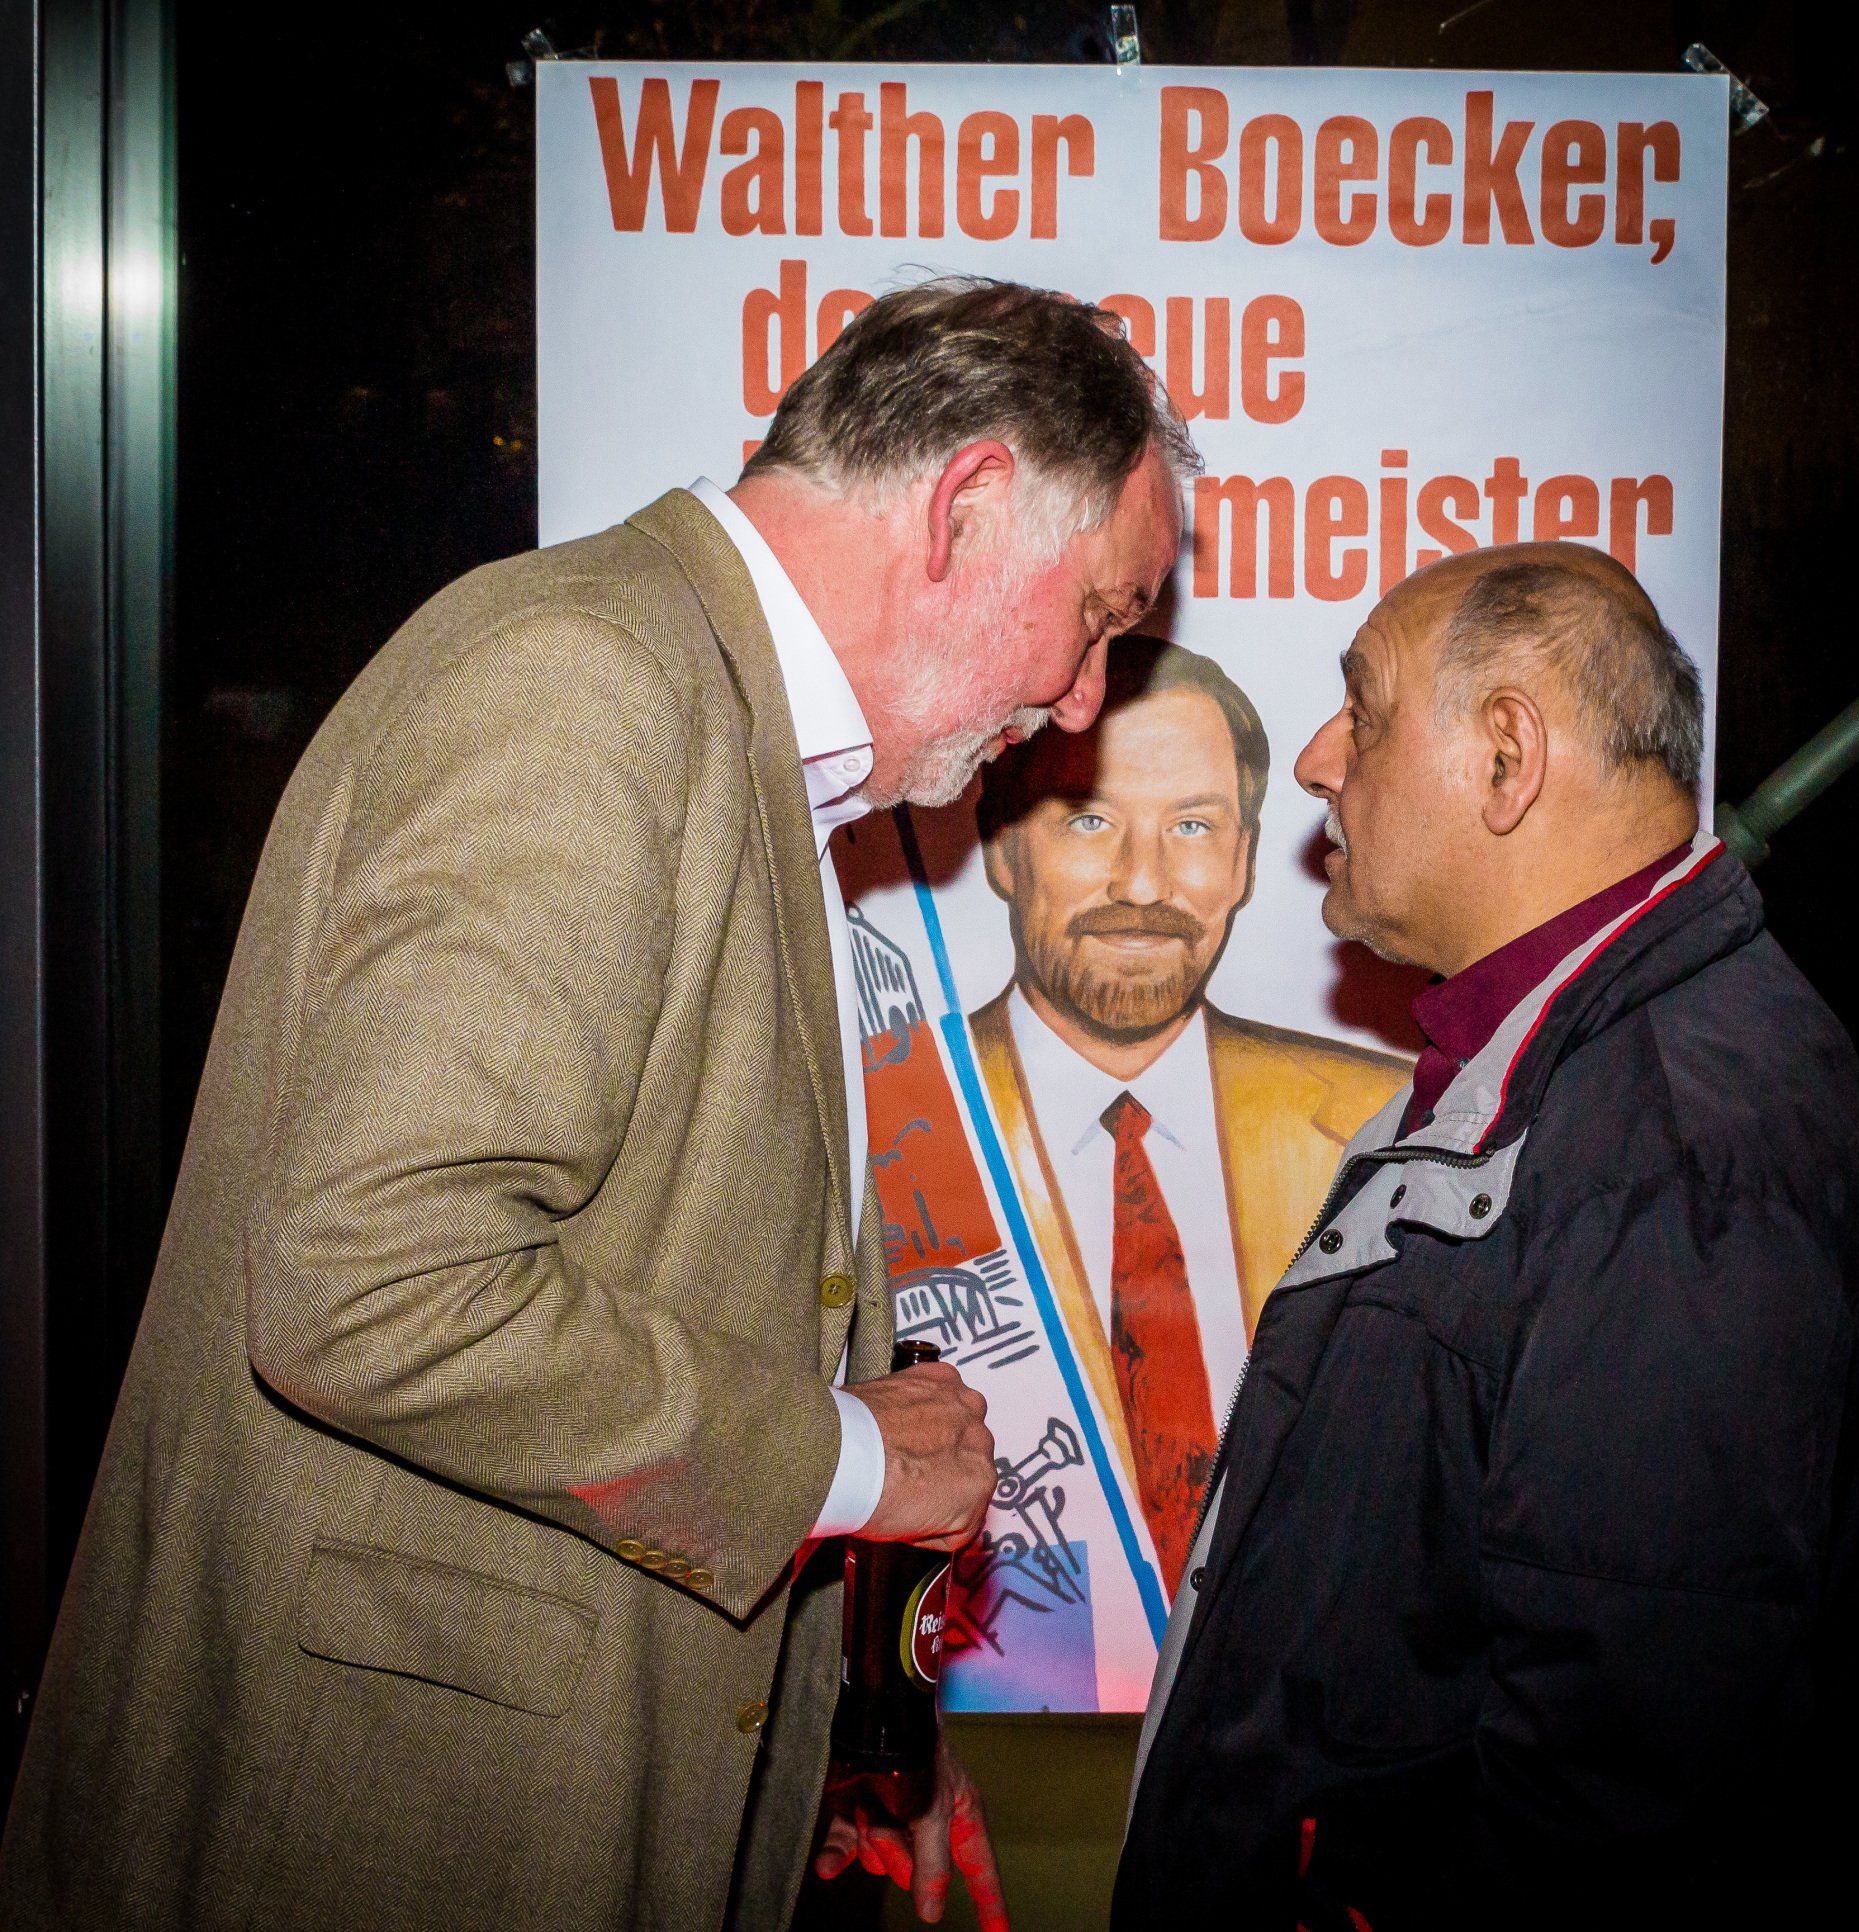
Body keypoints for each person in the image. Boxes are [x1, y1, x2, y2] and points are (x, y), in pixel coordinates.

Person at [0, 277, 1191, 1932]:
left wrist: (833, 1722)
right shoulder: (589, 683)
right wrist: (850, 1458)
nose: (1082, 700)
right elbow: (371, 1281)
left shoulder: (715, 728)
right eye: (1102, 616)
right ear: (968, 508)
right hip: (384, 1828)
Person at [1117, 543, 1859, 1929]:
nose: (1315, 760)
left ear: (1505, 758)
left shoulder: (1676, 1154)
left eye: (1363, 712)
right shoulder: (1574, 1077)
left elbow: (1618, 1810)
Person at [968, 637, 1406, 1590]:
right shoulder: (894, 1119)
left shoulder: (1394, 1125)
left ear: (1244, 859)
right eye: (1089, 820)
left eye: (1194, 826)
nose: (1142, 883)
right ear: (1002, 850)